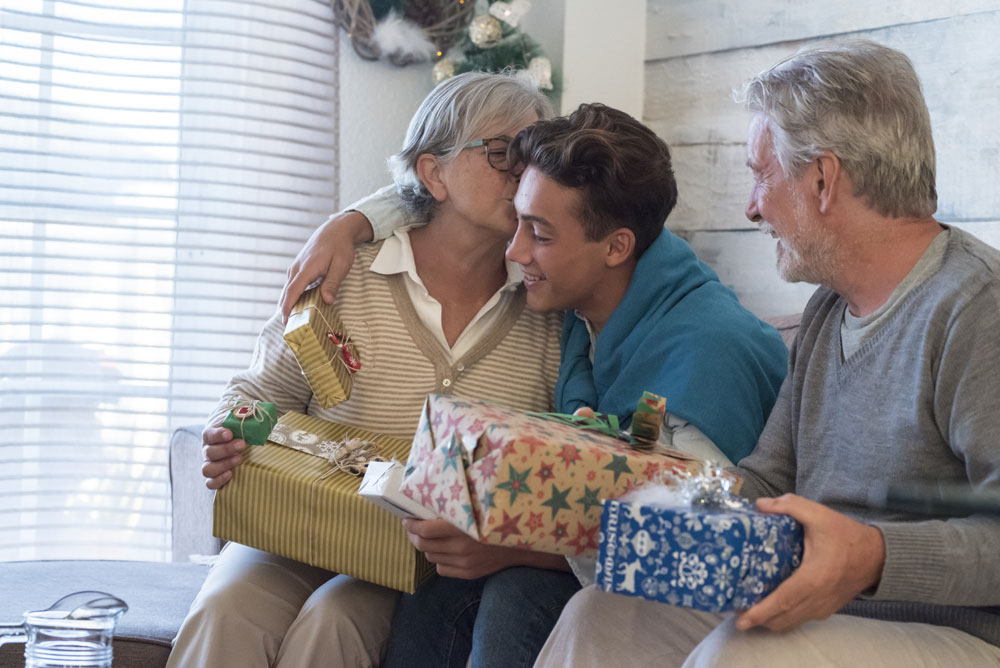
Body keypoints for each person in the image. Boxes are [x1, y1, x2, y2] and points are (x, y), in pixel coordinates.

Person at [532, 40, 1000, 668]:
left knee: (742, 656)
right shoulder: (827, 310)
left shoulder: (975, 307)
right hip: (820, 606)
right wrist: (626, 479)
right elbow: (764, 483)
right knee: (603, 616)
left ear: (823, 179)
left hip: (957, 633)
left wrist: (871, 555)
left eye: (760, 174)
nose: (752, 207)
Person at [282, 103, 788, 668]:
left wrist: (515, 546)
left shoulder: (705, 357)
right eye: (518, 220)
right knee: (439, 588)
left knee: (516, 591)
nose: (514, 250)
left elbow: (695, 550)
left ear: (616, 247)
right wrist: (350, 222)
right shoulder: (595, 298)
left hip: (698, 589)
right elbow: (446, 190)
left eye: (538, 235)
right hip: (591, 555)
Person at [165, 71, 568, 668]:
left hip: (406, 556)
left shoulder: (547, 311)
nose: (522, 172)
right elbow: (254, 394)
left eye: (534, 155)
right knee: (226, 608)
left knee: (336, 621)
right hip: (294, 524)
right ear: (434, 174)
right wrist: (228, 433)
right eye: (502, 152)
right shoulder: (347, 273)